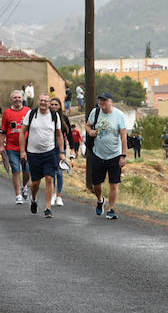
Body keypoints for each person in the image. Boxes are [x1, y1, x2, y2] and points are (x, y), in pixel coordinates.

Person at [85, 92, 128, 220]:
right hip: (98, 153)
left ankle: (111, 209)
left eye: (104, 100)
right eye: (100, 100)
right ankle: (100, 200)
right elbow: (87, 125)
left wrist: (123, 155)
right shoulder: (95, 112)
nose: (102, 103)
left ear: (111, 101)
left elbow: (123, 136)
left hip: (115, 154)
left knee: (113, 184)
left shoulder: (119, 115)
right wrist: (90, 132)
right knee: (96, 184)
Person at [20, 93, 63, 219]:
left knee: (50, 178)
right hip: (33, 153)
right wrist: (22, 151)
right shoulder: (32, 114)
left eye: (46, 101)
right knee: (36, 182)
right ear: (38, 102)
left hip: (50, 152)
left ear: (50, 103)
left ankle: (48, 208)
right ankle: (33, 199)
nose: (43, 103)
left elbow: (59, 134)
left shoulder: (54, 116)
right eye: (41, 100)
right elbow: (22, 132)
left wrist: (61, 153)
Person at [1, 90, 31, 204]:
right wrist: (1, 145)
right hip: (11, 147)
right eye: (15, 98)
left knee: (27, 170)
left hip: (27, 147)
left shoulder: (28, 111)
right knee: (16, 169)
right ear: (11, 99)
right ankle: (18, 194)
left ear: (22, 99)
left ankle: (24, 186)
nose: (17, 99)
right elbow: (3, 130)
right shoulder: (7, 113)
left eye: (19, 97)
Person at [51, 105, 76, 207]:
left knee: (60, 173)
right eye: (52, 104)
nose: (53, 106)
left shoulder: (64, 118)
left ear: (60, 107)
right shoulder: (46, 117)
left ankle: (59, 196)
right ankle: (52, 194)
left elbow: (69, 134)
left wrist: (73, 149)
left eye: (56, 104)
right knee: (51, 173)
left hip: (61, 149)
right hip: (49, 148)